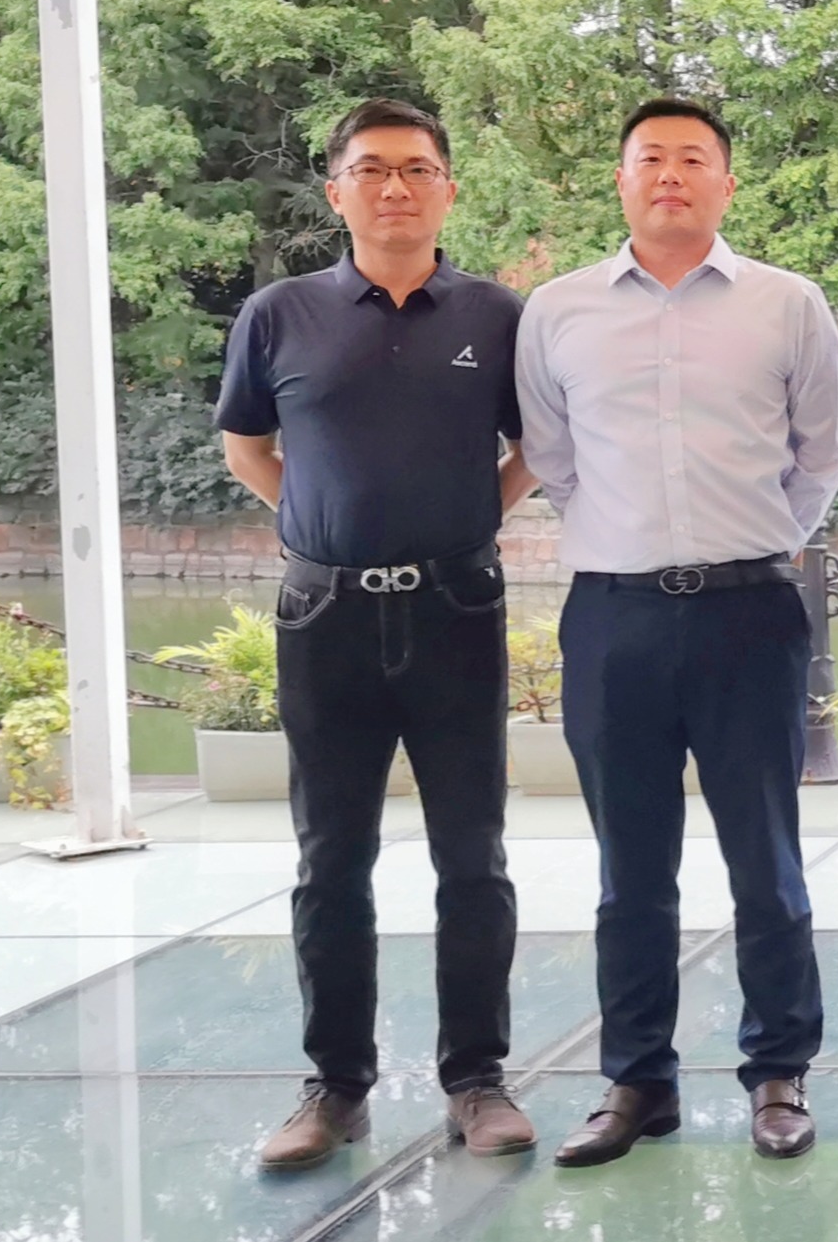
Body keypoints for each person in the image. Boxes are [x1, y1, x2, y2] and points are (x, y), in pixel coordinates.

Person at [517, 97, 838, 1167]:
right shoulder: (558, 310)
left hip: (750, 610)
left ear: (725, 182)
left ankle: (779, 1070)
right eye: (650, 157)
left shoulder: (787, 303)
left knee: (767, 856)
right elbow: (552, 457)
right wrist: (632, 539)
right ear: (620, 178)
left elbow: (822, 452)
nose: (670, 173)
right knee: (630, 867)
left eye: (692, 158)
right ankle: (636, 1079)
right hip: (612, 615)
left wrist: (757, 539)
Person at [218, 98, 536, 1169]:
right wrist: (319, 528)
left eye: (415, 168)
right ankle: (336, 1086)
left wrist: (472, 519)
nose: (394, 187)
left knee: (472, 854)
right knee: (330, 858)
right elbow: (248, 445)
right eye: (371, 169)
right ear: (336, 191)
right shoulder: (279, 313)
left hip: (457, 608)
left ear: (448, 187)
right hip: (326, 616)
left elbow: (535, 445)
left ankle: (476, 1078)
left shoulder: (495, 314)